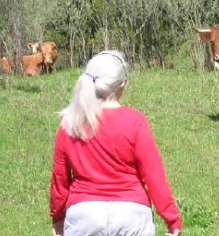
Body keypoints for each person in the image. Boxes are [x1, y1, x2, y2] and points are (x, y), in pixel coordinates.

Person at [50, 50, 182, 236]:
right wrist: (172, 219)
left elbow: (60, 181)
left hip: (84, 216)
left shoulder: (70, 124)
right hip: (132, 216)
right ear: (123, 84)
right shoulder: (136, 122)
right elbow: (154, 176)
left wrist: (57, 218)